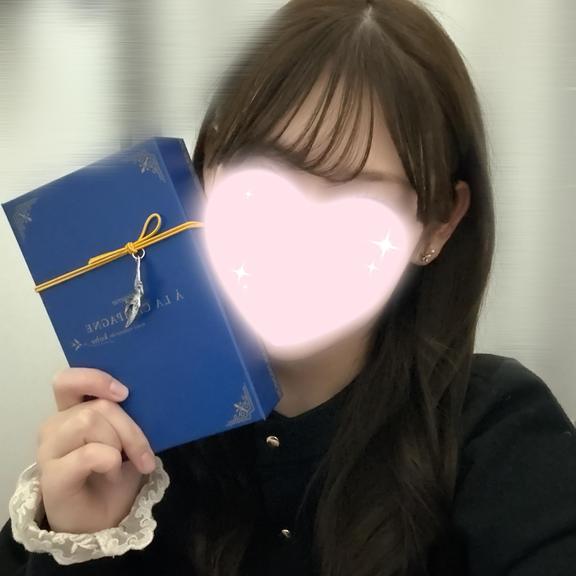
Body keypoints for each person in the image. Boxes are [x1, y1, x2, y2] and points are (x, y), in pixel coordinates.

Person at [2, 0, 576, 574]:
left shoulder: (498, 432)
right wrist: (85, 542)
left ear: (437, 224)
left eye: (359, 190)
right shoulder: (133, 427)